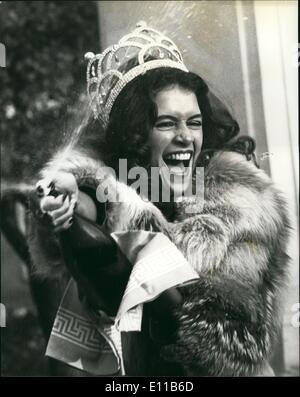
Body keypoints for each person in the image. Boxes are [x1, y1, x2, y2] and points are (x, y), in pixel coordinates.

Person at [27, 23, 290, 376]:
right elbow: (94, 197)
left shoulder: (242, 206)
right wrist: (65, 195)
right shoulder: (122, 190)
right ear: (137, 135)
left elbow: (230, 343)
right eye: (167, 123)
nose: (185, 137)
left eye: (194, 123)